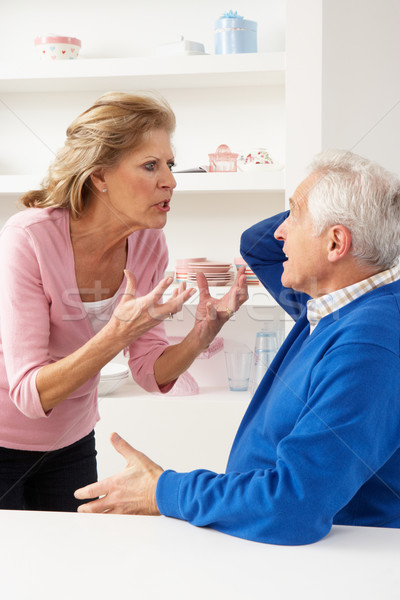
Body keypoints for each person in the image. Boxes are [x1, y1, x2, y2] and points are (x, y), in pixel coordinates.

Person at [75, 149, 400, 545]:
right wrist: (364, 213)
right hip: (280, 544)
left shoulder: (368, 344)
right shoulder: (331, 302)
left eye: (294, 216)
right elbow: (256, 244)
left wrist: (163, 491)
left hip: (329, 564)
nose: (280, 231)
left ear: (335, 244)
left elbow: (293, 505)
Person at [0, 92, 247, 512]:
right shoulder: (29, 238)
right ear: (100, 176)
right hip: (4, 442)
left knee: (70, 571)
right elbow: (28, 393)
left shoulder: (150, 243)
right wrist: (117, 333)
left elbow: (148, 369)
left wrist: (201, 335)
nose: (170, 180)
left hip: (72, 442)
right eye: (150, 165)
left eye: (169, 164)